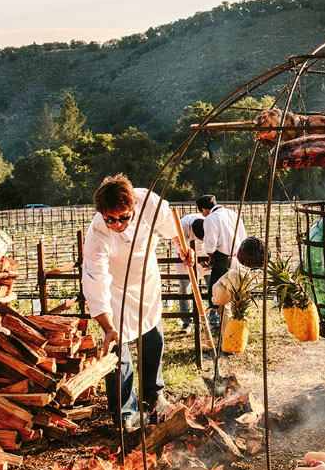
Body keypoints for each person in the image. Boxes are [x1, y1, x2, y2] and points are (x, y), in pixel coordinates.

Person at [81, 173, 191, 432]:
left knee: (153, 336)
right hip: (114, 288)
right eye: (110, 219)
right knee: (119, 349)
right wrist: (107, 326)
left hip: (145, 280)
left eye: (123, 218)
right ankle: (125, 412)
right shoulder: (97, 234)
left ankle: (154, 395)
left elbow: (170, 223)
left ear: (133, 207)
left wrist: (182, 247)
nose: (117, 224)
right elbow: (95, 279)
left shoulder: (147, 202)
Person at [200, 196, 247, 328]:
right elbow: (243, 237)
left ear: (204, 210)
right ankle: (238, 326)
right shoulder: (232, 213)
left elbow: (211, 246)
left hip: (223, 260)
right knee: (237, 295)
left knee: (221, 296)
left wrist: (209, 257)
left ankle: (225, 328)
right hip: (238, 258)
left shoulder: (210, 219)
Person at [174, 210, 206, 332]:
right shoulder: (182, 225)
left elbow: (209, 242)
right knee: (184, 290)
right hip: (183, 255)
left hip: (202, 254)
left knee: (212, 286)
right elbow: (180, 246)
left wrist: (203, 258)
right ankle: (186, 322)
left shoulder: (206, 223)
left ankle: (214, 320)